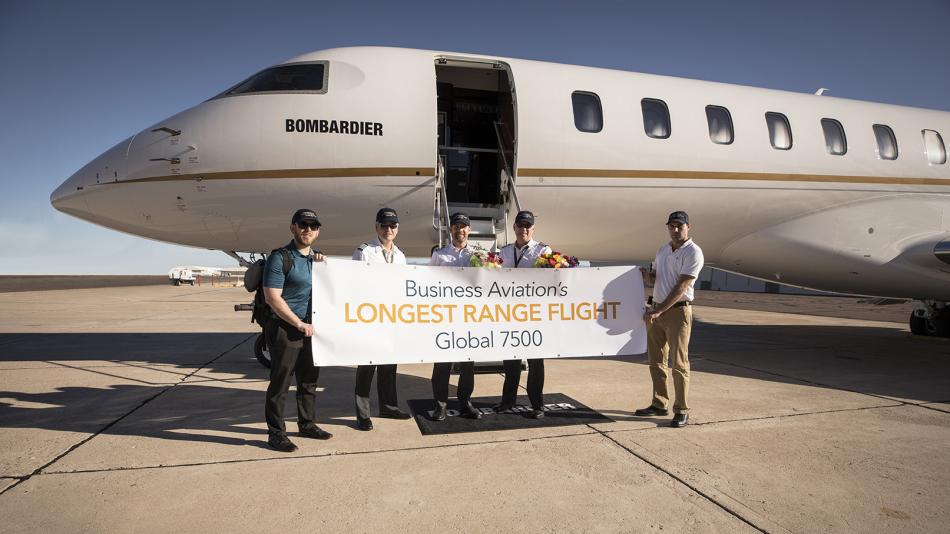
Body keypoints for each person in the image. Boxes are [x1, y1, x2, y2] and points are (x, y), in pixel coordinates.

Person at [263, 208, 333, 452]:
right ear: (292, 227)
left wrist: (325, 266)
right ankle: (276, 433)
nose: (308, 229)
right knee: (280, 384)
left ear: (318, 231)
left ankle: (307, 423)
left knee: (309, 381)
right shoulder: (280, 257)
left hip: (310, 329)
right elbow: (272, 297)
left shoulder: (317, 260)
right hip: (286, 328)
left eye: (313, 226)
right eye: (303, 224)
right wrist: (298, 323)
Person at [636, 211, 704, 428]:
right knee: (656, 361)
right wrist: (643, 276)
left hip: (677, 312)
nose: (675, 230)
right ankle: (659, 403)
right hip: (656, 310)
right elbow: (656, 277)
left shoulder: (693, 252)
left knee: (679, 364)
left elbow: (682, 286)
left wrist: (658, 311)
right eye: (671, 226)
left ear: (688, 227)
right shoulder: (663, 250)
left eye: (679, 226)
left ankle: (682, 409)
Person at [351, 208, 413, 431]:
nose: (389, 230)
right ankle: (363, 414)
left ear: (397, 229)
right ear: (376, 227)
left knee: (389, 365)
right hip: (370, 317)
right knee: (367, 366)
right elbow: (355, 284)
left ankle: (388, 406)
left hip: (392, 317)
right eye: (384, 225)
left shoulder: (401, 256)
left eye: (393, 226)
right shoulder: (365, 251)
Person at [495, 210, 552, 418]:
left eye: (528, 226)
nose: (524, 229)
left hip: (533, 315)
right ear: (514, 228)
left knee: (536, 362)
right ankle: (507, 401)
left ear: (533, 229)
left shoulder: (543, 251)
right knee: (510, 361)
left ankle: (538, 405)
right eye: (520, 225)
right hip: (510, 314)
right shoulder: (504, 251)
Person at [428, 212, 481, 421]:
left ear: (469, 230)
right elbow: (428, 285)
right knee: (442, 364)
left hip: (469, 317)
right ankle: (440, 405)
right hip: (445, 317)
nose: (460, 230)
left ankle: (465, 402)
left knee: (468, 363)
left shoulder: (479, 256)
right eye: (457, 226)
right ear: (451, 229)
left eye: (464, 226)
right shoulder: (439, 255)